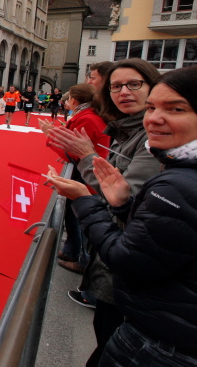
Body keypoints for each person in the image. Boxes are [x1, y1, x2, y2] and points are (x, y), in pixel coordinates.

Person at [47, 66, 197, 367]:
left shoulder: (174, 179)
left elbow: (129, 257)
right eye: (115, 86)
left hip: (160, 334)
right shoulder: (161, 154)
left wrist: (86, 198)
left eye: (175, 109)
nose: (155, 118)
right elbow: (159, 225)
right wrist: (122, 205)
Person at [40, 84, 110, 276]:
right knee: (73, 214)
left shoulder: (86, 118)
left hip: (88, 173)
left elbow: (72, 153)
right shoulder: (87, 116)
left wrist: (50, 135)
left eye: (68, 98)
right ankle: (72, 251)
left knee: (78, 215)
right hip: (88, 171)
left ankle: (82, 259)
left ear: (75, 100)